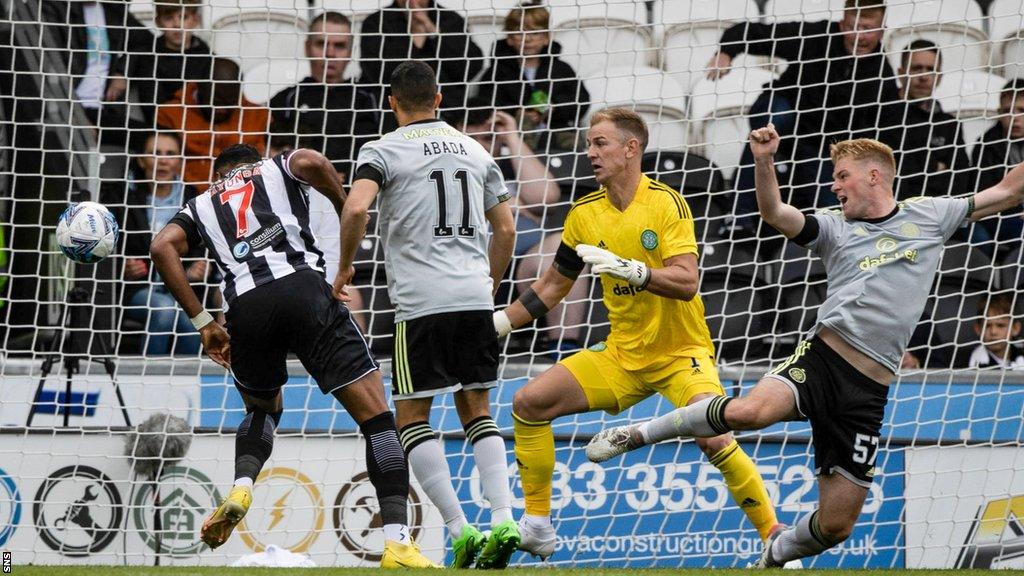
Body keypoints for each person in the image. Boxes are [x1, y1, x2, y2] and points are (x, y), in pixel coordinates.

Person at [587, 126, 1024, 568]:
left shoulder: (930, 214)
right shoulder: (835, 226)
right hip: (823, 359)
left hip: (868, 391)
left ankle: (775, 554)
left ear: (874, 176)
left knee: (836, 527)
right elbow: (775, 212)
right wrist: (763, 160)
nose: (834, 186)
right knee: (748, 414)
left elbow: (1008, 190)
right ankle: (637, 434)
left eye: (842, 176)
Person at [493, 107, 781, 559]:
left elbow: (687, 282)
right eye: (588, 144)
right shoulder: (584, 213)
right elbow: (550, 288)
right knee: (529, 403)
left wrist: (636, 272)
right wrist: (498, 324)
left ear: (631, 149)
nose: (590, 153)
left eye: (600, 143)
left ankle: (774, 538)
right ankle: (538, 525)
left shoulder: (667, 203)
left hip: (680, 352)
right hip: (621, 355)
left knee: (713, 433)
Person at [149, 143, 436, 568]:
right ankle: (397, 543)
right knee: (377, 418)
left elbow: (160, 247)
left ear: (219, 175)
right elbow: (313, 162)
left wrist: (205, 323)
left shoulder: (200, 203)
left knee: (262, 409)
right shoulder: (274, 167)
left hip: (246, 308)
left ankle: (243, 485)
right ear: (255, 163)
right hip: (304, 290)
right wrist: (344, 205)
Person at [338, 61, 519, 569]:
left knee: (412, 416)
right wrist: (490, 283)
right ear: (439, 99)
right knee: (477, 408)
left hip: (419, 303)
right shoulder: (476, 149)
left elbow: (356, 209)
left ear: (391, 102)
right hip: (473, 296)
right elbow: (504, 229)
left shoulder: (382, 150)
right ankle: (505, 516)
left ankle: (461, 530)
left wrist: (346, 266)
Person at [719, 0, 899, 235]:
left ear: (882, 30)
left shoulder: (881, 76)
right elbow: (753, 33)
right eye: (854, 27)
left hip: (820, 144)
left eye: (868, 29)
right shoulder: (815, 36)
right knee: (771, 125)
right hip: (785, 116)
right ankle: (738, 215)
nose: (860, 37)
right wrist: (726, 52)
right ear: (842, 24)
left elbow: (879, 133)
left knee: (830, 209)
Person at [455, 101, 587, 355]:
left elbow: (546, 196)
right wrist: (513, 205)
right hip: (477, 265)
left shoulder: (509, 168)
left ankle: (563, 347)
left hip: (524, 267)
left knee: (563, 246)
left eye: (493, 122)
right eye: (477, 121)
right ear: (460, 128)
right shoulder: (452, 168)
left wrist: (512, 137)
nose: (486, 127)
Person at [106, 131, 204, 356]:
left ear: (179, 161)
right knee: (163, 309)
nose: (163, 160)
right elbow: (107, 244)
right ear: (141, 160)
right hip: (135, 288)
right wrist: (121, 268)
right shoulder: (120, 196)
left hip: (181, 288)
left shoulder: (191, 197)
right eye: (155, 153)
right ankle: (148, 377)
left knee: (192, 323)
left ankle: (184, 385)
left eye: (170, 154)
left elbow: (200, 246)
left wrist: (196, 269)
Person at [269, 11, 381, 179]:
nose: (330, 53)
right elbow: (275, 154)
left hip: (359, 191)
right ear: (307, 48)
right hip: (300, 191)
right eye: (321, 44)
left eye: (339, 46)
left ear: (351, 51)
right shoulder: (286, 99)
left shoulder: (370, 99)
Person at [477, 2, 590, 151]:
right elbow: (486, 103)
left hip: (555, 130)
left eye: (534, 33)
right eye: (519, 33)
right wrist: (517, 113)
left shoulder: (561, 69)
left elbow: (580, 99)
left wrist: (552, 109)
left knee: (573, 145)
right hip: (511, 136)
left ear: (546, 37)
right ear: (509, 38)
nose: (527, 39)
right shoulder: (497, 72)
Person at [877, 40, 974, 200]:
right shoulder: (882, 114)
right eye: (916, 69)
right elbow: (890, 170)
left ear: (939, 77)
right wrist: (935, 166)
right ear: (901, 73)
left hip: (939, 211)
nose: (924, 77)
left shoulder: (949, 124)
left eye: (930, 70)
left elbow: (960, 180)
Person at [358, 0, 484, 123]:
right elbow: (376, 72)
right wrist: (416, 39)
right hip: (391, 115)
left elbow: (470, 67)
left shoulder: (451, 20)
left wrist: (433, 32)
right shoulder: (376, 22)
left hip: (448, 113)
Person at [156, 58, 269, 192]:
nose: (222, 109)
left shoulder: (258, 116)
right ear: (200, 87)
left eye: (230, 102)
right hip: (184, 194)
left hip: (241, 193)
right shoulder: (171, 113)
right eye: (216, 102)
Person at [105, 0, 214, 128]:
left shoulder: (206, 56)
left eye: (184, 17)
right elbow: (151, 103)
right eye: (169, 18)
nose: (177, 25)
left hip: (196, 125)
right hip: (159, 124)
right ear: (158, 22)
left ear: (195, 20)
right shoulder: (147, 55)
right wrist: (122, 72)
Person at [972, 78, 1024, 246]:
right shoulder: (986, 145)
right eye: (1008, 110)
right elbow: (987, 191)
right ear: (999, 112)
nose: (1014, 117)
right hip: (1001, 215)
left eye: (1021, 110)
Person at [966, 292, 1024, 370]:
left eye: (1000, 325)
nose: (993, 332)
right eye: (988, 325)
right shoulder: (967, 363)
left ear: (1016, 328)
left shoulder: (1021, 354)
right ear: (978, 328)